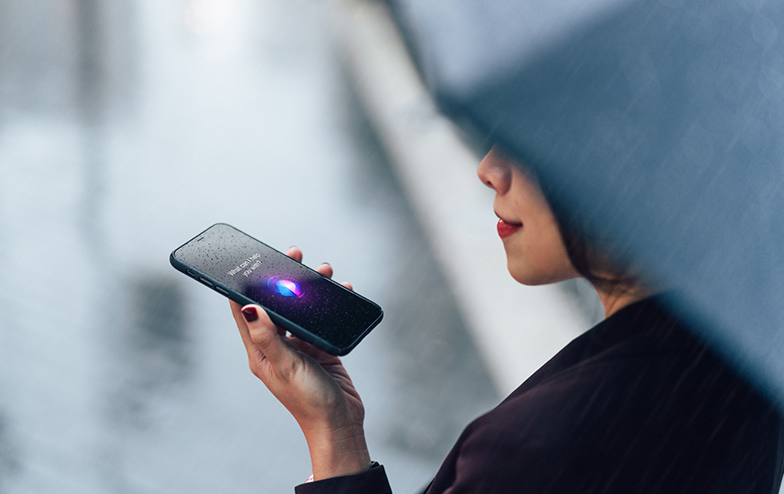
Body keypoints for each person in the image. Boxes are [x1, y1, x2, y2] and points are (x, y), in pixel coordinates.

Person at [229, 146, 784, 493]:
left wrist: (328, 446)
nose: (490, 168)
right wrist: (338, 431)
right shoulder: (743, 361)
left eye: (529, 143)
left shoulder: (532, 453)